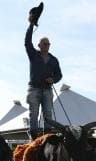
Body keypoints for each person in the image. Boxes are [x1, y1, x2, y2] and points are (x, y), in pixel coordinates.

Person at [25, 12, 62, 140]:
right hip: (34, 88)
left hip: (47, 89)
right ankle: (34, 137)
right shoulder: (33, 54)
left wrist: (53, 79)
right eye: (44, 43)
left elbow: (59, 75)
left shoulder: (53, 60)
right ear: (39, 45)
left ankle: (47, 137)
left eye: (48, 44)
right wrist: (31, 25)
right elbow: (27, 42)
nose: (46, 45)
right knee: (33, 114)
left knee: (48, 114)